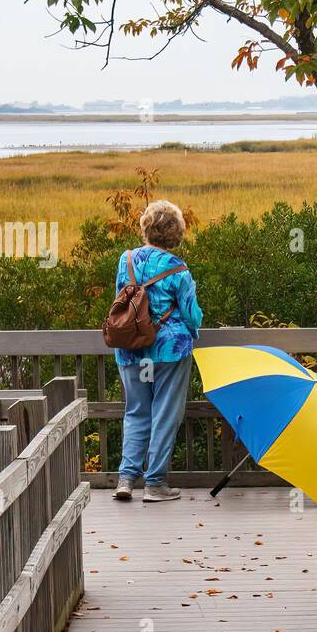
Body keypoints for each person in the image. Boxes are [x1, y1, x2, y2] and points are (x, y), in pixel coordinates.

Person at [113, 200, 203, 502]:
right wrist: (194, 331)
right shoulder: (178, 268)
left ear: (147, 228)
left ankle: (125, 479)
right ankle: (154, 484)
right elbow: (192, 315)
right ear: (175, 233)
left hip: (130, 349)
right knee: (165, 414)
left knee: (136, 412)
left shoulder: (126, 260)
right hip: (169, 351)